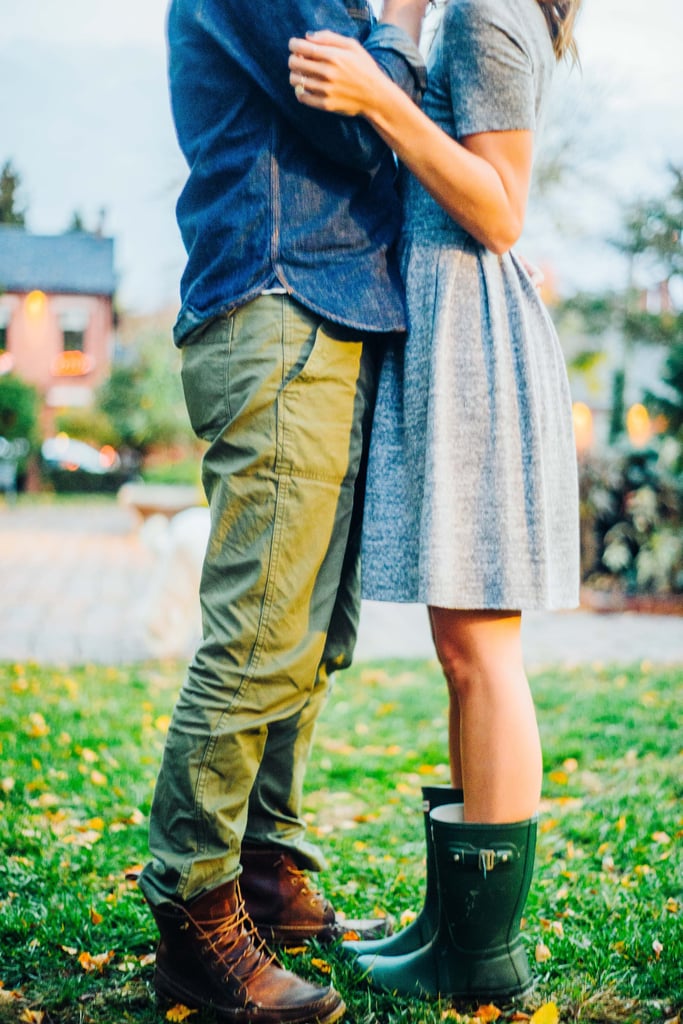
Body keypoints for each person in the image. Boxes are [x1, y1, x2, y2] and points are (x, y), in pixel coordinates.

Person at [136, 2, 428, 1022]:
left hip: (330, 311)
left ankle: (266, 870)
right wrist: (402, 15)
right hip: (278, 303)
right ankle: (194, 905)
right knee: (260, 634)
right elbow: (356, 121)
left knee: (311, 638)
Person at [288, 0, 582, 1004]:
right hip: (445, 339)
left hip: (476, 348)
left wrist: (378, 95)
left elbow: (500, 208)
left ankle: (483, 956)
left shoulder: (490, 11)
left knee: (482, 650)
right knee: (461, 652)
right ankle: (449, 927)